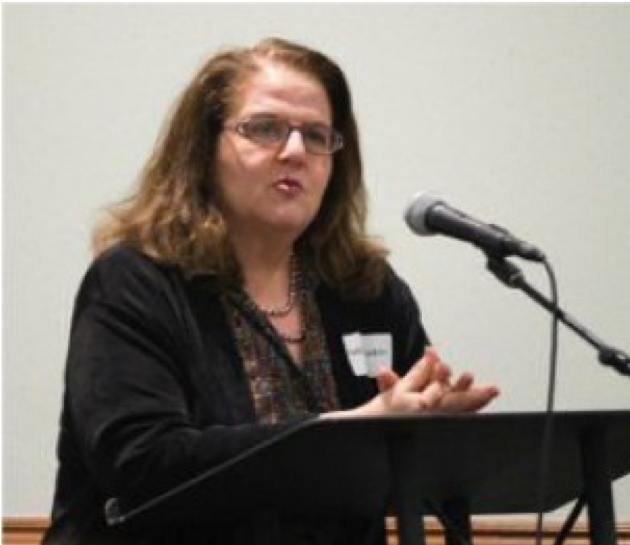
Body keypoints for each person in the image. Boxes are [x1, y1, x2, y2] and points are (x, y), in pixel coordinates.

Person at [43, 37, 500, 545]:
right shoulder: (136, 281)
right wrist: (342, 435)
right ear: (204, 150)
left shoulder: (366, 290)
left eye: (317, 135)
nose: (295, 151)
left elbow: (407, 447)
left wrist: (442, 436)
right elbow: (143, 463)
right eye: (264, 129)